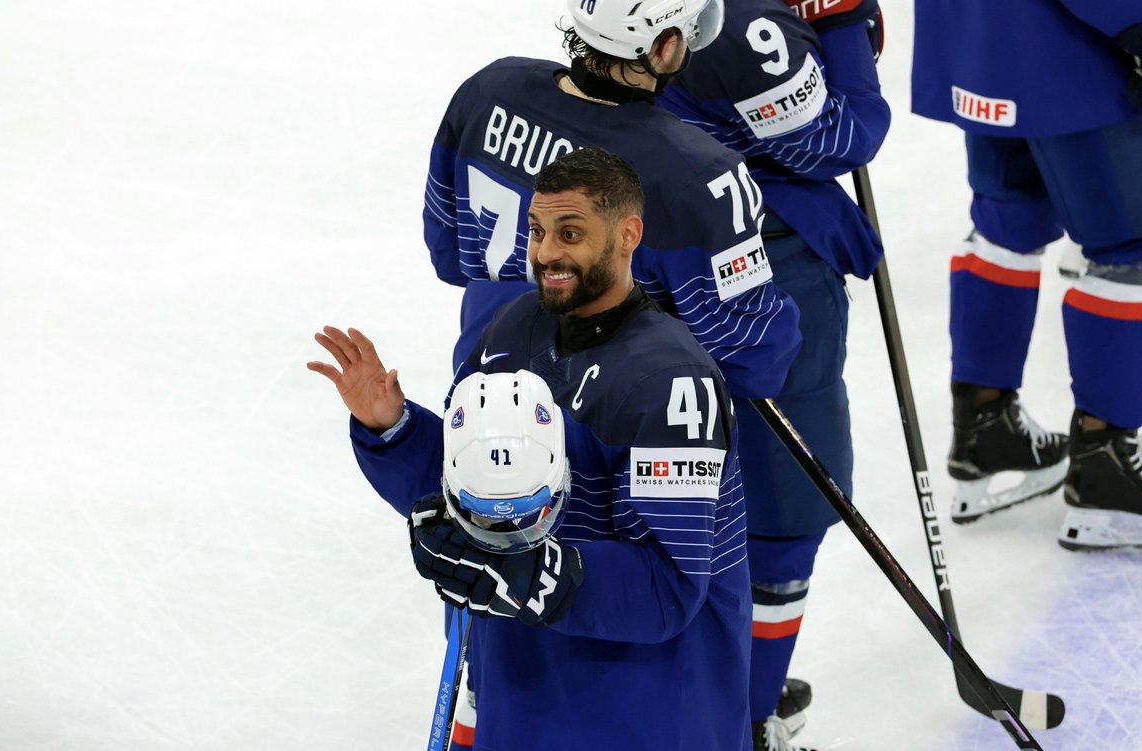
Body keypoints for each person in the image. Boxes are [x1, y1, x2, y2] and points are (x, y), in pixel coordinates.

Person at [421, 1, 810, 746]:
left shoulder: (485, 92)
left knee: (492, 608)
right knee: (636, 628)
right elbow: (760, 352)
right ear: (665, 46)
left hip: (489, 398)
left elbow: (449, 252)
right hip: (626, 430)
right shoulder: (697, 172)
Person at [310, 147, 753, 750]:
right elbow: (472, 493)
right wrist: (395, 429)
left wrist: (532, 572)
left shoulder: (673, 384)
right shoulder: (514, 331)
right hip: (526, 689)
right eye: (539, 231)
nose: (546, 253)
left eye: (570, 233)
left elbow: (669, 588)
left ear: (628, 236)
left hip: (648, 712)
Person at [654, 1, 888, 746]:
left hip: (639, 253)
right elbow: (849, 137)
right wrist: (845, 27)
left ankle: (695, 689)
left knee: (663, 490)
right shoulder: (742, 26)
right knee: (787, 508)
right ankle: (743, 717)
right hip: (757, 262)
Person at [913, 1, 1142, 547]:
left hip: (982, 39)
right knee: (1131, 247)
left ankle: (987, 429)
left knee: (1007, 222)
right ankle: (1109, 471)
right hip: (1077, 47)